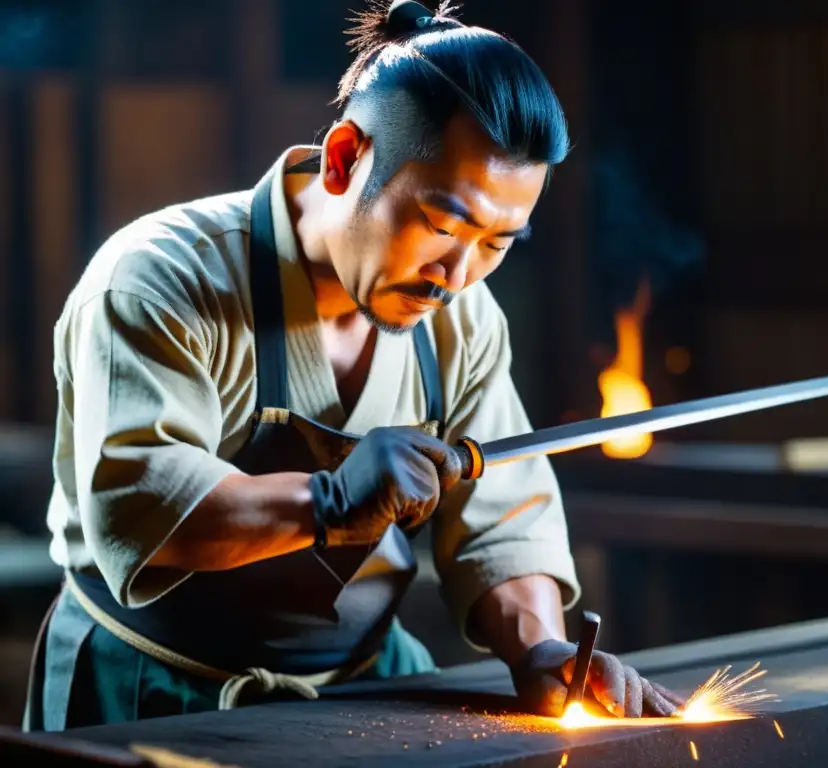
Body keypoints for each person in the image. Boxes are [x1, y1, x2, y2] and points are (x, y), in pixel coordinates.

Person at [24, 0, 685, 732]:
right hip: (150, 689)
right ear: (344, 160)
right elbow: (140, 504)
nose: (457, 274)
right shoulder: (162, 277)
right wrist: (333, 501)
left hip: (363, 687)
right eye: (442, 225)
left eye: (498, 243)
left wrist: (541, 647)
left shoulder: (462, 318)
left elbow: (503, 522)